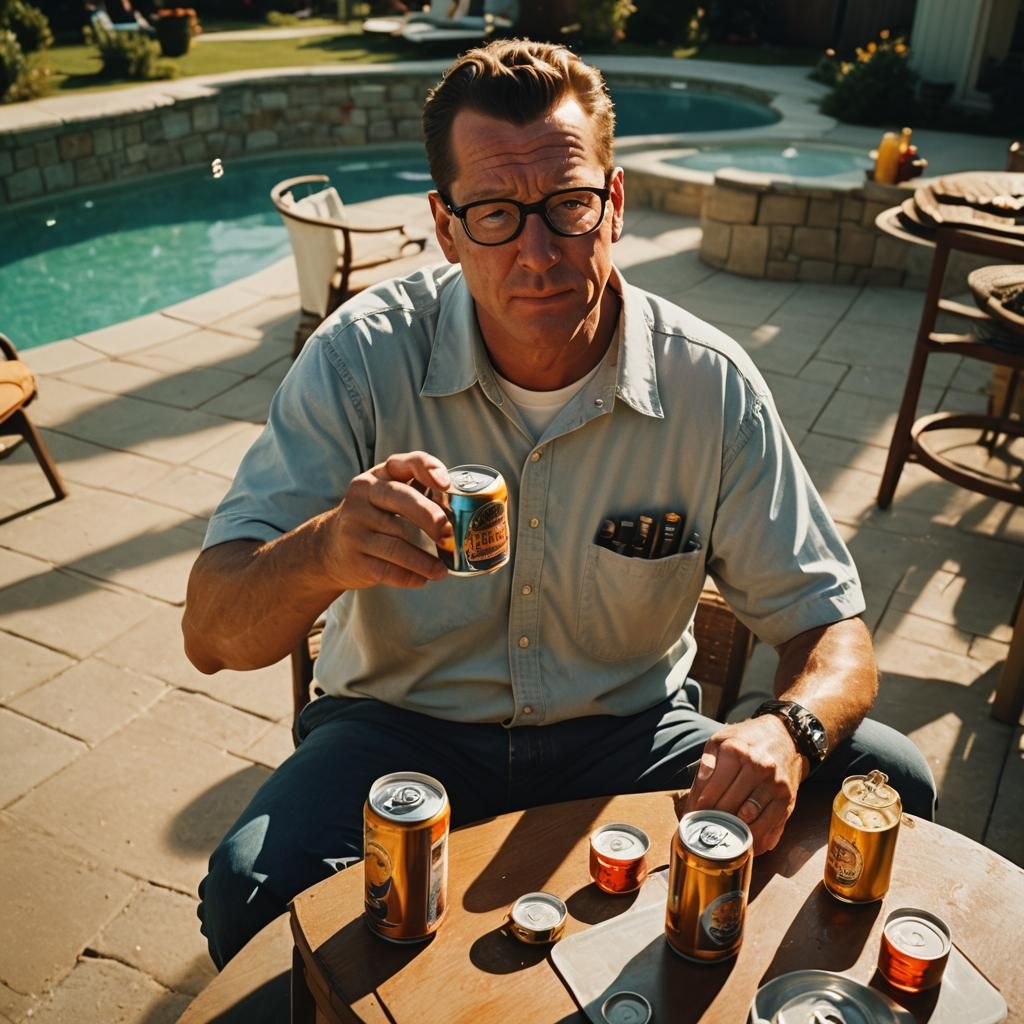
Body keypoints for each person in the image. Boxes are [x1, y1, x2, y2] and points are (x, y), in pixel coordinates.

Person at [182, 39, 936, 968]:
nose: (536, 253)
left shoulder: (709, 387)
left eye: (568, 206)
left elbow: (836, 630)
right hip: (398, 732)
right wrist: (326, 550)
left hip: (628, 735)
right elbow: (210, 634)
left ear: (613, 205)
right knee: (252, 884)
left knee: (885, 776)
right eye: (494, 213)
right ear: (446, 226)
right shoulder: (360, 360)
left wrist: (788, 730)